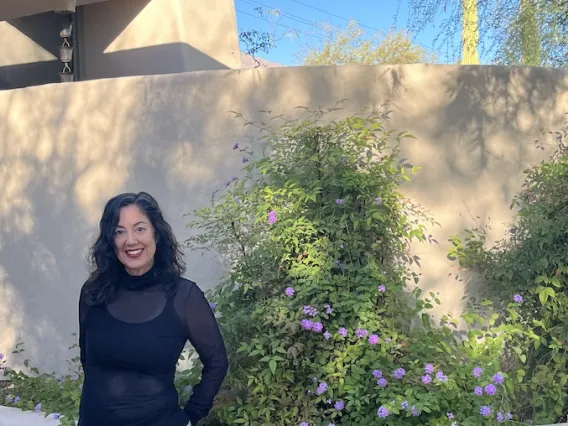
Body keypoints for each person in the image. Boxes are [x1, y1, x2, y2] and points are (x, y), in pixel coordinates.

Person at [78, 192, 228, 426]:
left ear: (156, 234)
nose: (130, 240)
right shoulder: (93, 292)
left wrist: (190, 417)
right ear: (110, 241)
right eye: (119, 231)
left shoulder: (183, 297)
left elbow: (217, 362)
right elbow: (87, 359)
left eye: (140, 229)